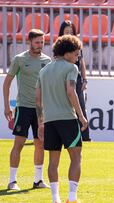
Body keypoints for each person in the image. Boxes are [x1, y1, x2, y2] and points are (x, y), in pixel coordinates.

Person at [36, 35, 88, 203]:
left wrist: (41, 121)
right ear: (67, 53)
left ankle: (55, 198)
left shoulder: (43, 70)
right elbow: (71, 91)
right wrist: (81, 116)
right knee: (76, 157)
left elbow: (38, 99)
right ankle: (72, 198)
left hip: (50, 120)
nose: (77, 58)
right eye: (76, 54)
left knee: (53, 160)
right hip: (67, 118)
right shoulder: (71, 68)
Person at [2, 29, 51, 190]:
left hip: (41, 110)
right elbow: (7, 83)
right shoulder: (20, 59)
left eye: (42, 42)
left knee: (40, 144)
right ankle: (12, 181)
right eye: (37, 42)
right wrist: (7, 106)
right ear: (29, 42)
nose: (40, 45)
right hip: (23, 107)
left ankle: (38, 180)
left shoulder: (47, 60)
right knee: (19, 143)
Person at [58, 20, 90, 141]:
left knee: (81, 107)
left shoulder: (77, 45)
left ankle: (86, 137)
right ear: (62, 33)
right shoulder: (59, 46)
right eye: (67, 32)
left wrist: (85, 80)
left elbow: (81, 63)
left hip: (76, 79)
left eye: (71, 32)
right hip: (63, 79)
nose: (69, 34)